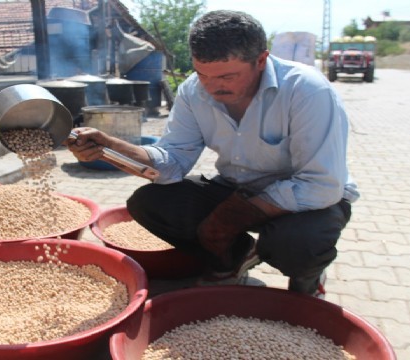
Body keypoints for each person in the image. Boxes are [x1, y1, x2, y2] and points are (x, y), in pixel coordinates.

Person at [66, 10, 359, 298]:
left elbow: (321, 184)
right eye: (202, 73)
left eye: (228, 76)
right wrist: (110, 148)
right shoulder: (194, 92)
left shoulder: (306, 90)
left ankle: (308, 281)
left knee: (299, 245)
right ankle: (232, 260)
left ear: (261, 60)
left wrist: (232, 216)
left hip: (306, 201)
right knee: (149, 203)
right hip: (236, 188)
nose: (212, 86)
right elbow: (172, 163)